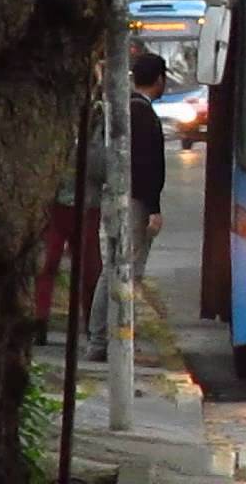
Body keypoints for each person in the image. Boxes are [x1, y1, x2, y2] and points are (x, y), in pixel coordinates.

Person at [86, 53, 167, 362]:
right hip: (133, 203)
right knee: (127, 270)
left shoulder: (122, 111)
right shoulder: (144, 115)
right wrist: (154, 208)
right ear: (159, 79)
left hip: (113, 197)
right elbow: (148, 167)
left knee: (113, 268)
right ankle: (114, 340)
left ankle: (99, 340)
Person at [33, 66, 106, 345]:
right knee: (46, 264)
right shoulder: (53, 113)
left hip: (86, 204)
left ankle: (92, 323)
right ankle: (38, 321)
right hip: (54, 201)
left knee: (89, 268)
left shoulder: (100, 118)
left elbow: (103, 163)